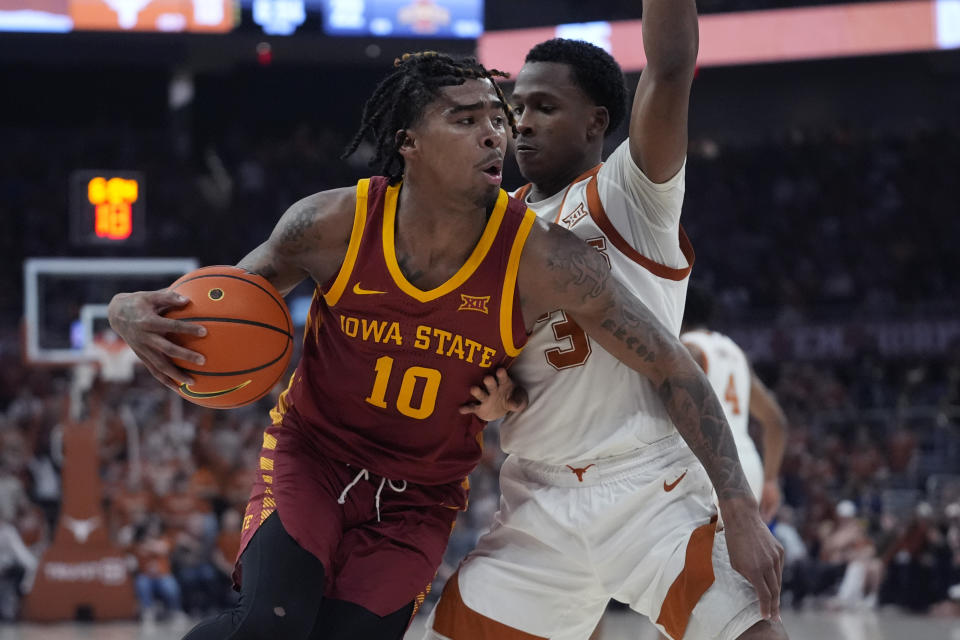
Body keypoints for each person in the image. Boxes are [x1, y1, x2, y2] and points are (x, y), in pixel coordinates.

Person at [109, 51, 774, 640]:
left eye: (497, 116)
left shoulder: (543, 259)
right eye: (466, 119)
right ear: (409, 143)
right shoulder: (330, 224)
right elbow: (220, 303)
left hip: (419, 495)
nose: (496, 130)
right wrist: (127, 309)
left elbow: (668, 363)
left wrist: (739, 505)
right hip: (315, 457)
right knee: (271, 624)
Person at [422, 3, 786, 639]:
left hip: (649, 488)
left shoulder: (630, 193)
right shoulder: (489, 225)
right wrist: (491, 394)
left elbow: (671, 67)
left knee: (751, 631)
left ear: (597, 121)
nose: (521, 123)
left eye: (544, 107)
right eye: (516, 107)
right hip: (536, 498)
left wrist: (741, 506)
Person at [680, 285, 789, 521]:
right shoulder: (735, 351)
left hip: (709, 466)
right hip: (749, 465)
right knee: (730, 557)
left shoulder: (685, 349)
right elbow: (776, 421)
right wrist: (770, 480)